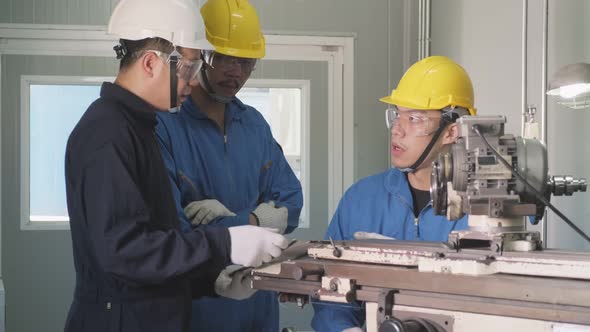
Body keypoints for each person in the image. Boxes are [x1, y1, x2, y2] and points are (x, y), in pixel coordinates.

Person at [63, 1, 288, 331]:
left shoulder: (139, 128)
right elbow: (125, 253)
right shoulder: (107, 134)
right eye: (188, 69)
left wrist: (210, 280)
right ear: (152, 63)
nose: (194, 82)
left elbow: (156, 249)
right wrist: (225, 243)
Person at [155, 1, 303, 331]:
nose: (235, 71)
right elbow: (172, 233)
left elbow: (291, 204)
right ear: (198, 55)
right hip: (198, 309)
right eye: (222, 57)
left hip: (258, 304)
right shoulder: (165, 125)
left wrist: (235, 221)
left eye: (246, 61)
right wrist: (258, 222)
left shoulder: (255, 125)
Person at [311, 55, 476, 332]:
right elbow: (330, 291)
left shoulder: (482, 209)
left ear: (451, 131)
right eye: (396, 115)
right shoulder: (361, 199)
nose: (397, 130)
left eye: (414, 119)